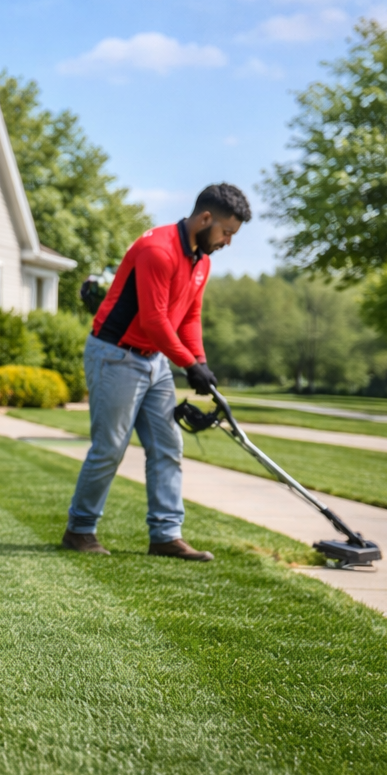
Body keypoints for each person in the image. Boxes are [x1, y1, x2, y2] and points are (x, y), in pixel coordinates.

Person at [61, 183, 251, 561]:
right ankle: (80, 530)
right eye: (226, 232)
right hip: (115, 355)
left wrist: (200, 361)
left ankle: (165, 534)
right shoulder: (157, 250)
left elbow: (190, 316)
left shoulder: (202, 260)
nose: (228, 242)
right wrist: (188, 364)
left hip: (154, 362)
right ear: (205, 218)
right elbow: (153, 320)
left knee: (168, 445)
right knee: (110, 447)